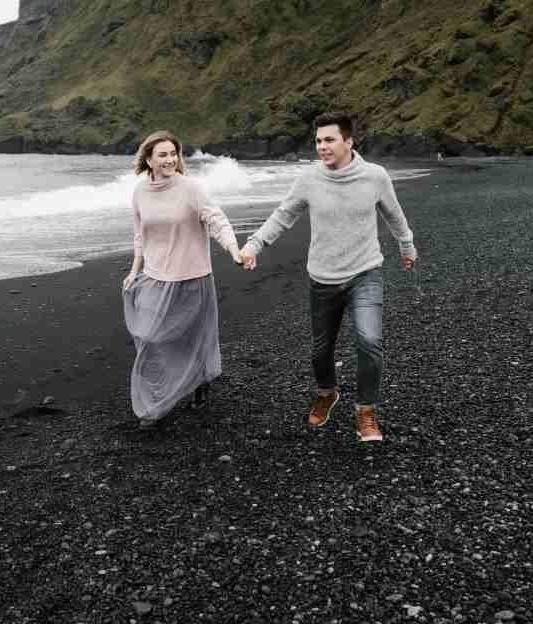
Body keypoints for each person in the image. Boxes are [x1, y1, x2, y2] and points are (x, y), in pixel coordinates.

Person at [239, 111, 417, 443]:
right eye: (318, 140)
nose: (322, 146)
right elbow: (284, 214)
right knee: (320, 351)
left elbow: (394, 213)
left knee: (369, 341)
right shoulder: (308, 179)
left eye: (329, 140)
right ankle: (327, 392)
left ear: (349, 142)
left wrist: (406, 245)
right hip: (322, 278)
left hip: (365, 272)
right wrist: (254, 245)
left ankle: (366, 411)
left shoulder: (375, 177)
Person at [123, 130, 241, 428]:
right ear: (148, 159)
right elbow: (140, 234)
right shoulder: (139, 191)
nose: (170, 159)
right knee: (150, 335)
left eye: (173, 153)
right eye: (162, 154)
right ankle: (158, 394)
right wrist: (134, 270)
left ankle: (199, 381)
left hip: (192, 275)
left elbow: (216, 219)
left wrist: (233, 249)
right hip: (154, 276)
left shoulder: (190, 188)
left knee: (191, 336)